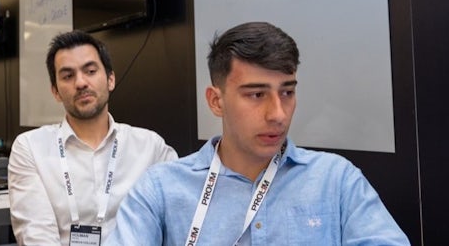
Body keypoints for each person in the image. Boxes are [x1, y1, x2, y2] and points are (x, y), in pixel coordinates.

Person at [108, 22, 410, 245]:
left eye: (287, 92)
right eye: (256, 95)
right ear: (216, 101)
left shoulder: (336, 180)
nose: (278, 114)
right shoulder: (162, 189)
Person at [8, 30, 178, 245]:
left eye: (90, 71)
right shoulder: (31, 148)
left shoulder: (151, 148)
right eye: (68, 76)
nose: (80, 82)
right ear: (56, 92)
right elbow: (37, 235)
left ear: (110, 79)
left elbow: (175, 221)